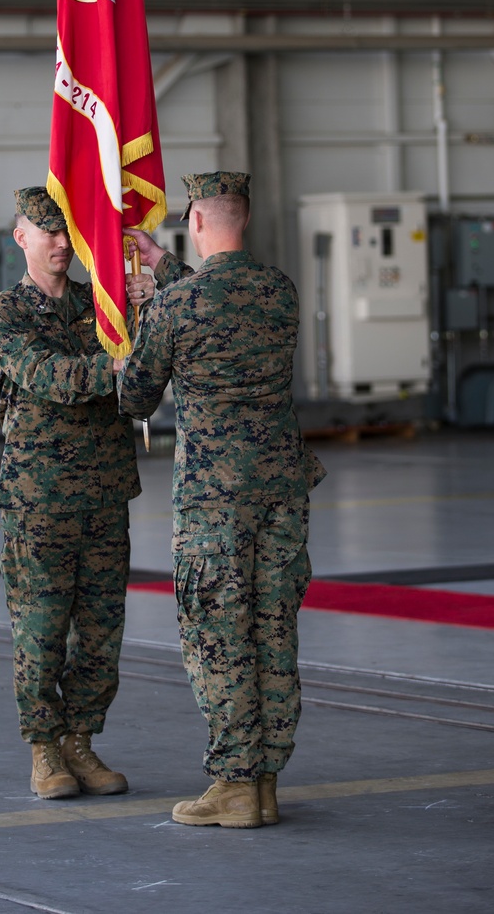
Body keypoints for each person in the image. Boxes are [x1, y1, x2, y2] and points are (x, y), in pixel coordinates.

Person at [119, 171, 324, 830]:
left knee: (219, 634)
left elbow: (136, 397)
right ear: (243, 218)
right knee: (272, 628)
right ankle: (264, 780)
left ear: (197, 221)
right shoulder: (280, 291)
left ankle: (235, 781)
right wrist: (167, 272)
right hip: (281, 490)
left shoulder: (176, 308)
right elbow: (223, 297)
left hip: (215, 498)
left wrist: (143, 317)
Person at [0, 187, 137, 799]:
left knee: (102, 631)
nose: (59, 242)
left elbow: (144, 362)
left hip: (104, 491)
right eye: (45, 231)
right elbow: (47, 377)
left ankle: (82, 740)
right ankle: (45, 748)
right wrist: (117, 367)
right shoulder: (5, 312)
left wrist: (141, 319)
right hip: (39, 498)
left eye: (65, 231)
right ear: (20, 237)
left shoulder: (101, 306)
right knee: (42, 629)